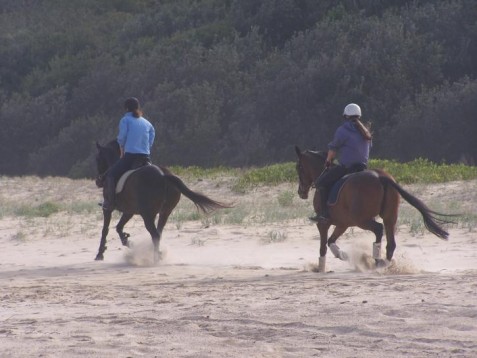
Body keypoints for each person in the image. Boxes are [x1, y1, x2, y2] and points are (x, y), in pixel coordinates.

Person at [310, 103, 372, 222]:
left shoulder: (343, 130)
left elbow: (333, 149)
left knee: (321, 183)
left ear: (345, 116)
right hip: (363, 168)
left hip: (347, 168)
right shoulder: (365, 132)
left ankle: (323, 214)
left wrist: (328, 162)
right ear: (359, 116)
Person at [102, 97, 155, 210]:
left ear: (126, 108)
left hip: (131, 156)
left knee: (110, 175)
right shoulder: (147, 123)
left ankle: (110, 203)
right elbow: (151, 137)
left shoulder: (125, 120)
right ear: (138, 107)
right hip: (145, 157)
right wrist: (146, 147)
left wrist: (122, 148)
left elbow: (122, 137)